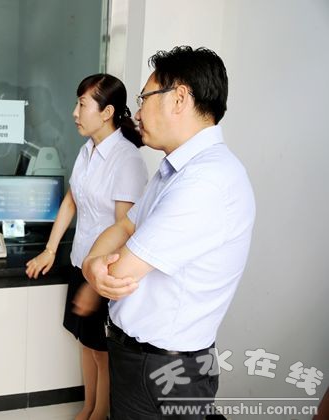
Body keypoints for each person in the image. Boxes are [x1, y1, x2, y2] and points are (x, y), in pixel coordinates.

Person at [82, 46, 256, 419]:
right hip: (144, 360)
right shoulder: (174, 170)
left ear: (179, 98)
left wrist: (95, 267)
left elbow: (118, 272)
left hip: (161, 371)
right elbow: (125, 225)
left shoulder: (206, 180)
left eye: (144, 98)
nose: (137, 113)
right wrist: (92, 262)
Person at [26, 74, 148, 420]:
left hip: (104, 273)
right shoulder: (87, 151)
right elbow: (71, 201)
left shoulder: (127, 160)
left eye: (82, 104)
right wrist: (50, 250)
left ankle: (99, 415)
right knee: (86, 343)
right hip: (80, 262)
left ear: (107, 112)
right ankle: (88, 407)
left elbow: (124, 230)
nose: (74, 112)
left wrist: (96, 287)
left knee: (102, 351)